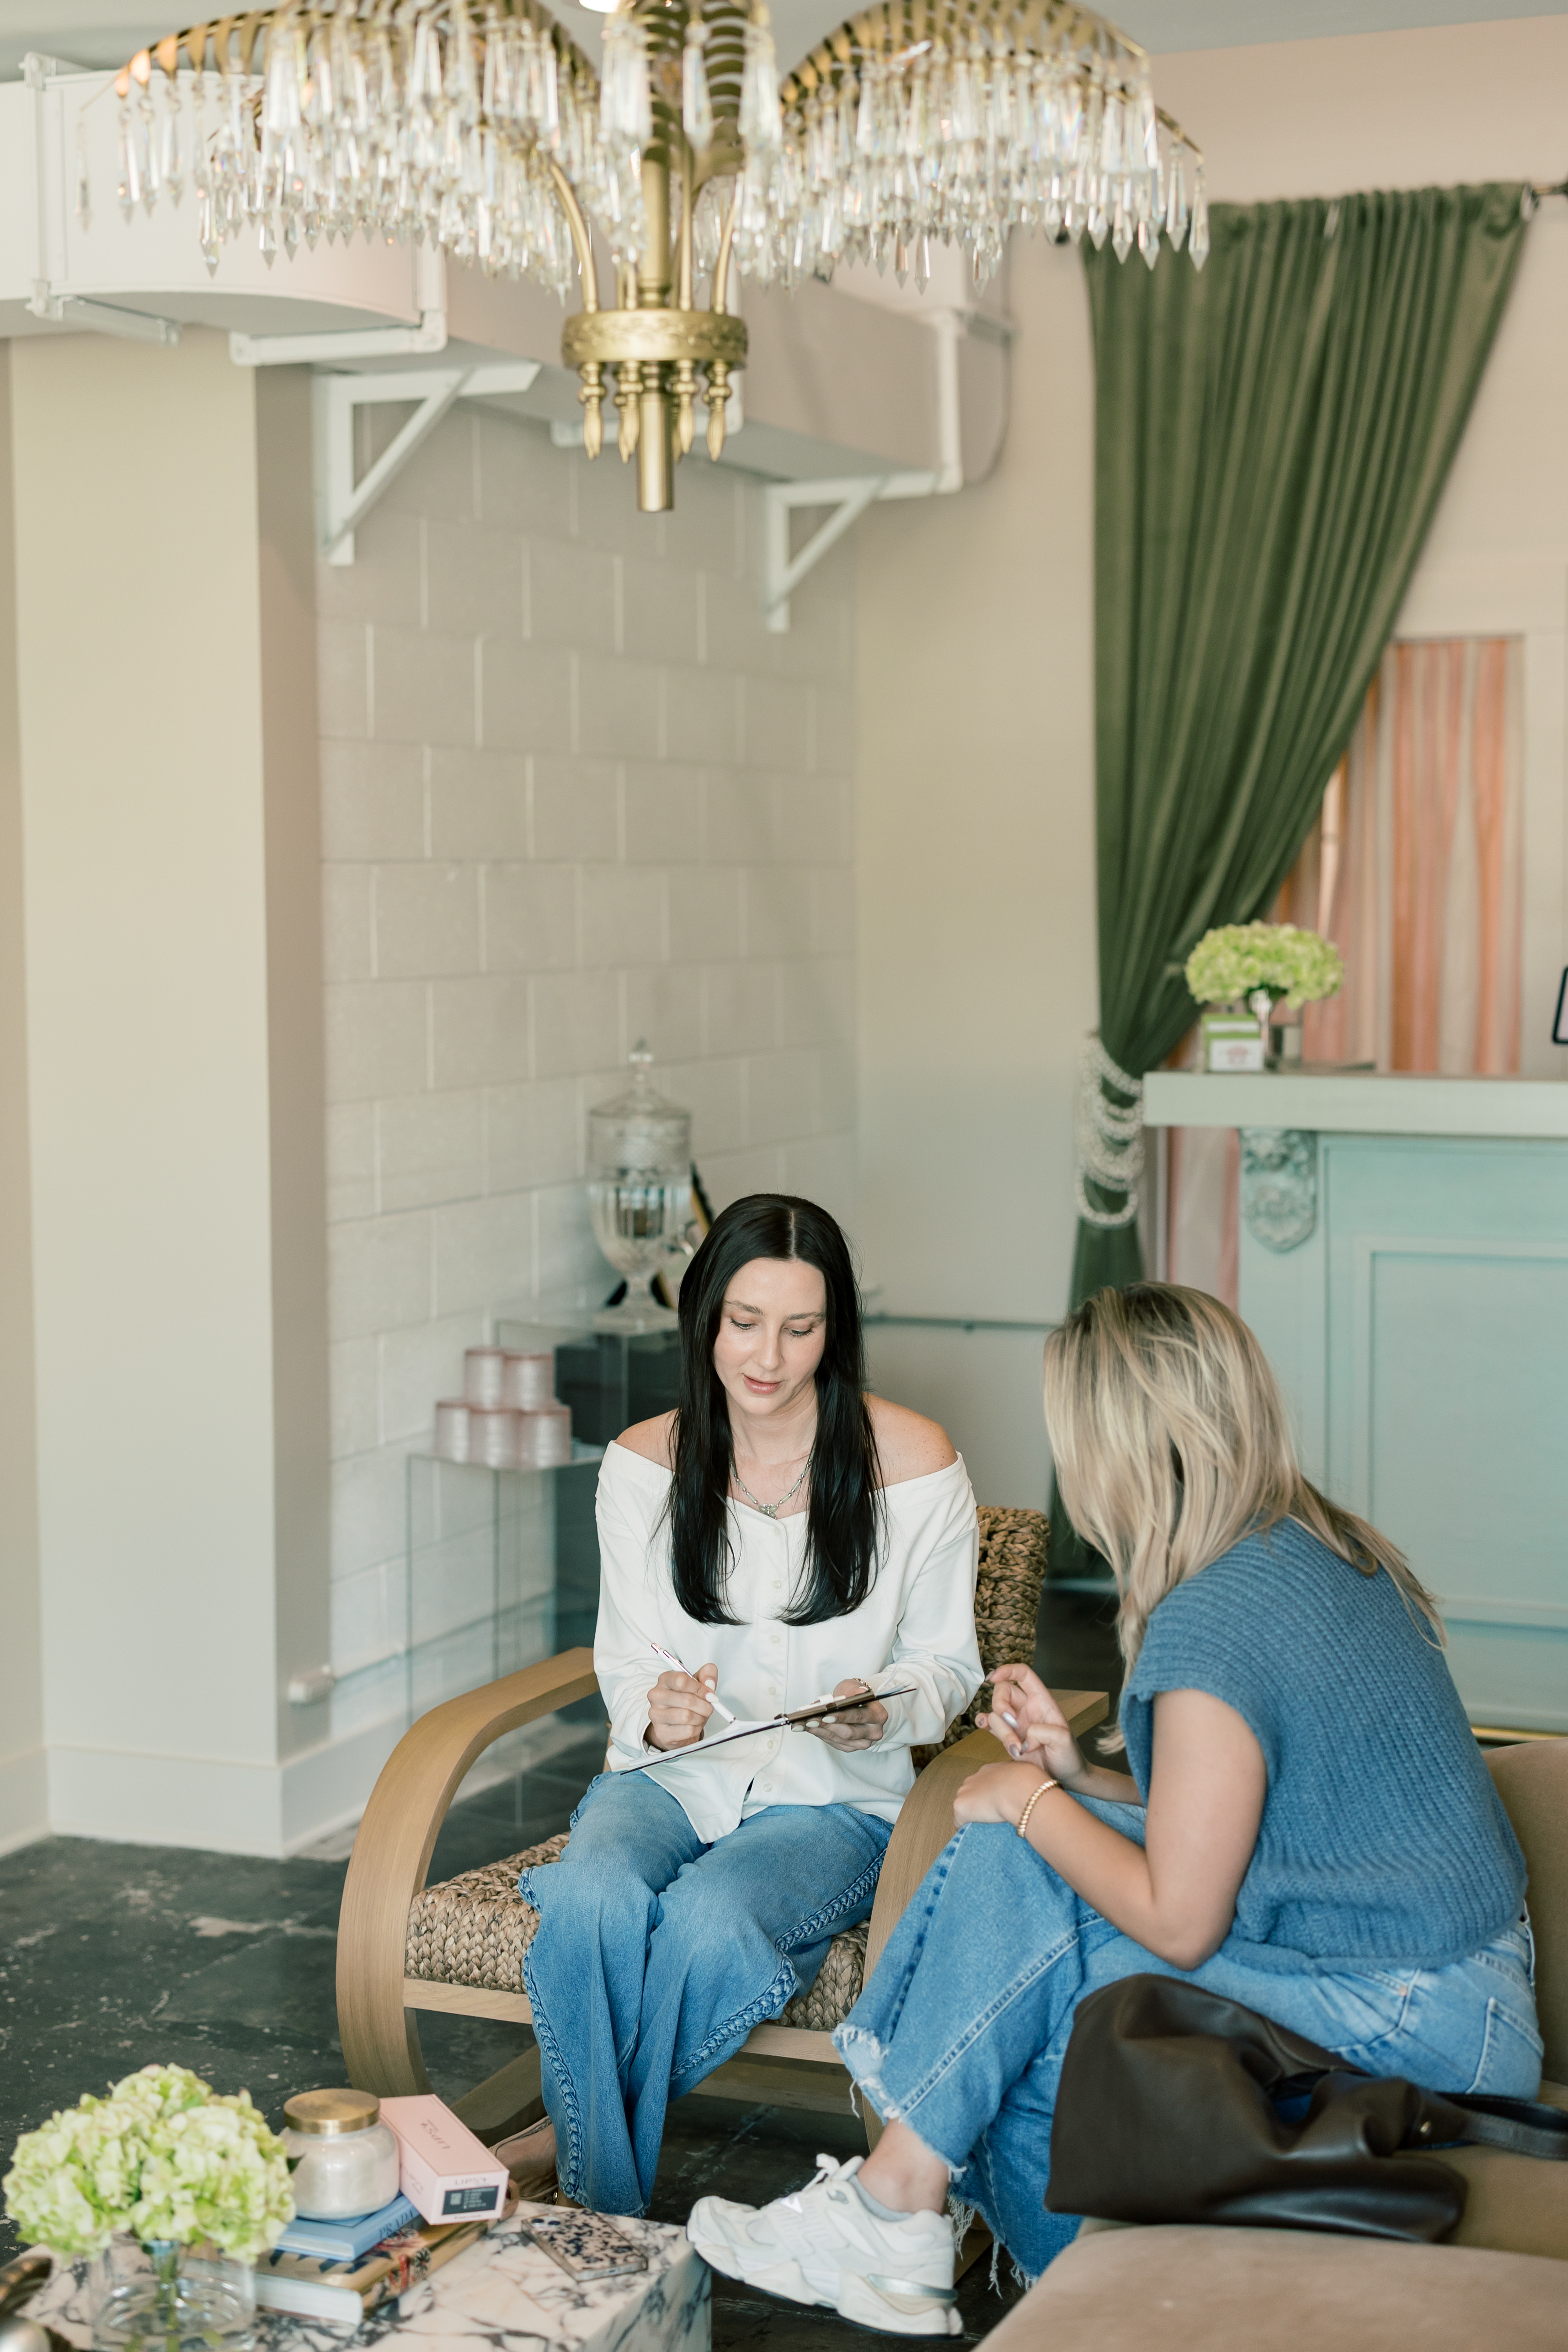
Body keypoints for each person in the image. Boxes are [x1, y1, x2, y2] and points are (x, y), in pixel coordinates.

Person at [689, 1282, 1543, 2332]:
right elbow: (1256, 1807)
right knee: (1016, 1873)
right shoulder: (1310, 1542)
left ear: (1114, 1446)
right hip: (1445, 1971)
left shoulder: (1212, 1620)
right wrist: (1077, 1778)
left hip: (1421, 2008)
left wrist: (1037, 1795)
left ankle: (1025, 2274)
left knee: (1042, 1981)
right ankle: (898, 2201)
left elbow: (1181, 1917)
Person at [506, 1193, 982, 2218]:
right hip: (668, 1778)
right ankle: (614, 2220)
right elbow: (625, 1653)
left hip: (833, 1800)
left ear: (835, 1330)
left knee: (709, 1921)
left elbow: (947, 1663)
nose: (767, 1355)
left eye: (800, 1327)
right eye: (743, 1320)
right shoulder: (642, 1464)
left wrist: (884, 1708)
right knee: (589, 1897)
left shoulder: (916, 1465)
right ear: (703, 1317)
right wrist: (652, 1709)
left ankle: (577, 2175)